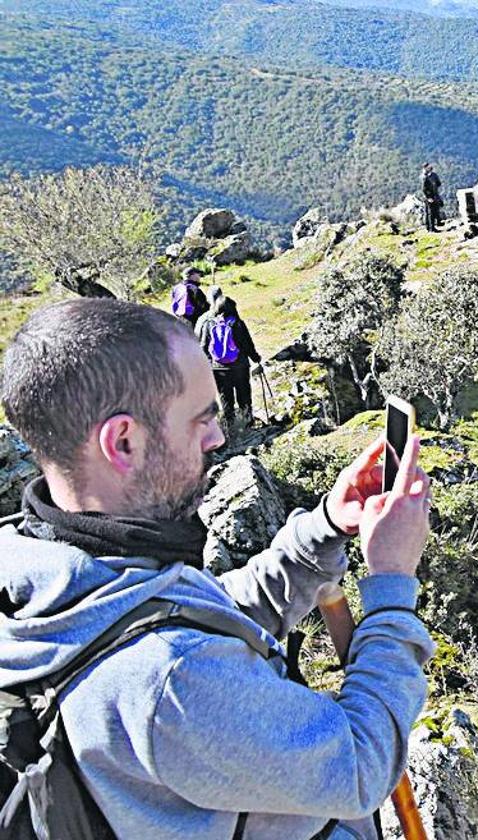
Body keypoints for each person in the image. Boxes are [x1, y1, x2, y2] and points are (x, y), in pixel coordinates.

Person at [0, 298, 433, 839]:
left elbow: (195, 612)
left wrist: (323, 528)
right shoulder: (172, 679)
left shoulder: (46, 567)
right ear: (124, 442)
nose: (219, 439)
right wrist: (393, 583)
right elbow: (361, 766)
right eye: (202, 418)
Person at [197, 296, 263, 424]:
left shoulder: (209, 323)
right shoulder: (237, 323)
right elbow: (247, 344)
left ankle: (230, 425)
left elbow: (204, 347)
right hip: (239, 366)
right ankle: (248, 422)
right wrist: (256, 358)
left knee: (225, 396)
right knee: (243, 393)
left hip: (219, 368)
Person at [421, 163, 442, 232]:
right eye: (428, 167)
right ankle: (431, 228)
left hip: (434, 195)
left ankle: (430, 227)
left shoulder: (433, 175)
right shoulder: (424, 177)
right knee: (430, 213)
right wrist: (428, 197)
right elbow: (424, 189)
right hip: (429, 197)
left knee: (432, 212)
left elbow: (439, 183)